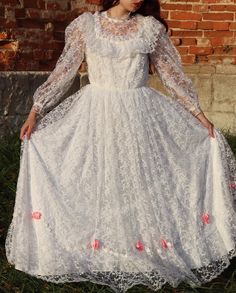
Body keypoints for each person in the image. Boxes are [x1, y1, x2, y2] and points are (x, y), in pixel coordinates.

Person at [5, 0, 236, 292]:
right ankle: (102, 247)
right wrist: (36, 111)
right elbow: (64, 72)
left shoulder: (150, 29)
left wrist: (199, 116)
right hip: (95, 114)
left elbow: (172, 76)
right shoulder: (86, 25)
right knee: (98, 178)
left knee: (138, 180)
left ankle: (137, 247)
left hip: (140, 114)